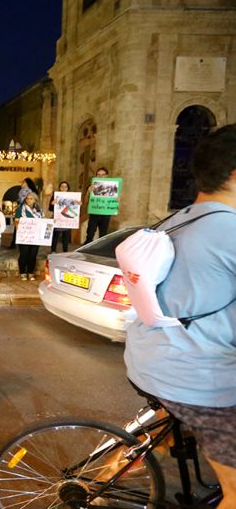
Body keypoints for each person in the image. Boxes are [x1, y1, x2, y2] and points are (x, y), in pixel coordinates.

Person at [125, 124, 236, 508]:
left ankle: (106, 473)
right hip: (197, 376)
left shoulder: (179, 219)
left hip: (149, 357)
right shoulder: (230, 229)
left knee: (171, 418)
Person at [14, 192, 43, 281]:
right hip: (24, 236)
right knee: (24, 254)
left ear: (35, 200)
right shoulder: (20, 210)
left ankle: (30, 272)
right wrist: (22, 229)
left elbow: (42, 222)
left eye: (31, 199)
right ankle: (22, 272)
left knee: (33, 254)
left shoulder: (39, 210)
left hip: (35, 237)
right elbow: (16, 222)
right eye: (27, 199)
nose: (29, 200)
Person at [85, 167, 112, 243]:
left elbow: (116, 202)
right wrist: (88, 192)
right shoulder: (92, 186)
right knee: (90, 233)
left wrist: (116, 200)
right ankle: (86, 249)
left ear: (107, 175)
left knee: (103, 235)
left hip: (105, 213)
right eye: (98, 174)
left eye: (103, 174)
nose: (100, 176)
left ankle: (100, 250)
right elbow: (86, 201)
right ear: (96, 176)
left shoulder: (112, 187)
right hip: (94, 212)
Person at [49, 180, 72, 252]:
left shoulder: (72, 196)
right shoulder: (55, 196)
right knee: (55, 235)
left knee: (66, 236)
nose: (64, 188)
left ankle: (65, 251)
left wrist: (78, 204)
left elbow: (74, 208)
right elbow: (50, 208)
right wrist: (52, 203)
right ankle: (53, 250)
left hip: (66, 219)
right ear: (59, 188)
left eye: (65, 187)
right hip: (57, 218)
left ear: (68, 188)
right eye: (62, 187)